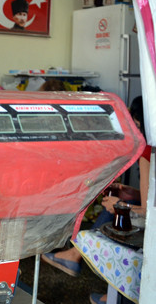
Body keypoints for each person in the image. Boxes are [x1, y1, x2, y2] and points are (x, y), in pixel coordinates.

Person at [41, 96, 150, 304]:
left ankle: (80, 259)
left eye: (136, 124)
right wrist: (131, 192)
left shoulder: (147, 151)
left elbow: (147, 211)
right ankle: (79, 259)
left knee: (111, 212)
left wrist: (121, 204)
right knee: (111, 208)